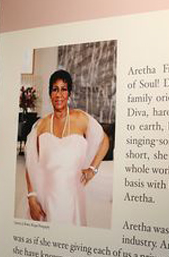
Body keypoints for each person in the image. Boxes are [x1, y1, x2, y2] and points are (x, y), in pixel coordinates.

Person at [24, 69, 109, 226]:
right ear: (50, 93)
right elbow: (30, 164)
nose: (59, 94)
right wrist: (31, 197)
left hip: (73, 198)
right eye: (55, 89)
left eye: (63, 89)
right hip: (46, 198)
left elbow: (104, 141)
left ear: (69, 93)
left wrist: (93, 169)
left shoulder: (81, 118)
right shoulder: (41, 126)